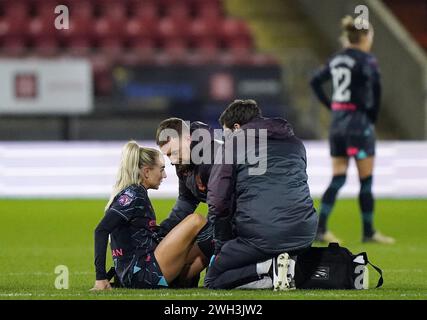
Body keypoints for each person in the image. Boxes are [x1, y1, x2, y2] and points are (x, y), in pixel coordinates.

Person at [204, 99, 319, 290]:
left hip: (261, 235)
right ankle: (286, 267)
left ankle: (269, 270)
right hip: (304, 235)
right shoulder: (296, 143)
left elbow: (217, 202)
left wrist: (222, 244)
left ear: (236, 127)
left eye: (226, 133)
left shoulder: (234, 144)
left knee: (213, 278)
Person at [310, 15, 395, 244]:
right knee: (365, 180)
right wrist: (372, 117)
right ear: (365, 37)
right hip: (359, 124)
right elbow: (376, 90)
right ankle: (368, 231)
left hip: (337, 124)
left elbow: (315, 81)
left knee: (338, 177)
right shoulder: (367, 60)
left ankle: (320, 229)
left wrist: (331, 105)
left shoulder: (336, 59)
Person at [91, 141, 207, 290]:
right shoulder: (134, 194)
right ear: (146, 172)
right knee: (196, 220)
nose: (164, 175)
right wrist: (100, 278)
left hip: (137, 272)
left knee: (203, 243)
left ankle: (187, 281)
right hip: (143, 273)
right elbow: (101, 230)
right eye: (162, 169)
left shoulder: (134, 193)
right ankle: (217, 278)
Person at [155, 118, 225, 269]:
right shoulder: (184, 160)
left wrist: (206, 237)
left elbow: (223, 203)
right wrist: (163, 231)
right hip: (224, 217)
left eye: (174, 152)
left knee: (179, 264)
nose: (173, 160)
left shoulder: (213, 156)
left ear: (188, 138)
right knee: (178, 269)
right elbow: (187, 200)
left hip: (241, 217)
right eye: (168, 155)